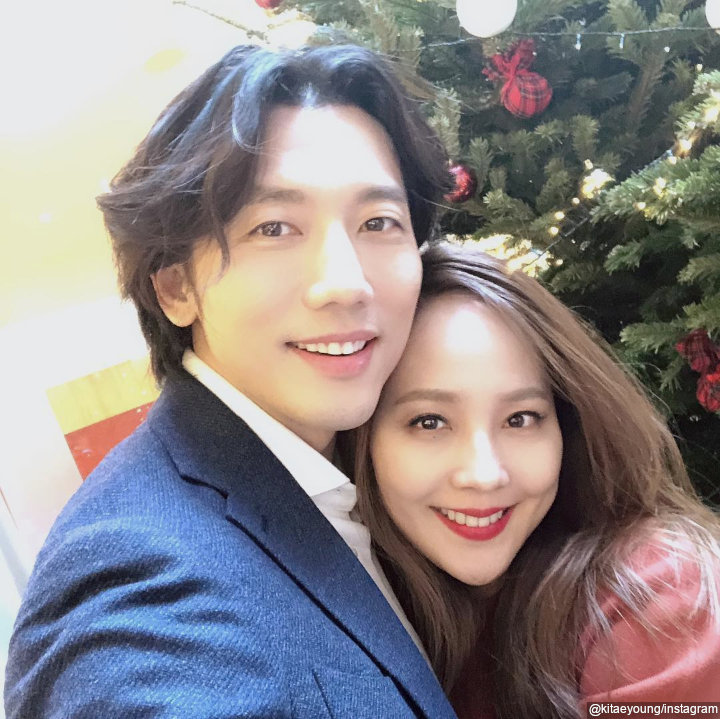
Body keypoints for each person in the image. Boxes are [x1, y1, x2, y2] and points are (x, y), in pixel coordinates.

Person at [5, 45, 458, 718]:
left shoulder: (375, 464)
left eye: (378, 223)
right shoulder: (140, 584)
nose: (346, 283)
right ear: (175, 287)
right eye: (274, 228)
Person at [352, 241, 720, 718]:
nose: (484, 475)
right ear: (364, 440)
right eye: (430, 422)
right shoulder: (359, 598)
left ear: (567, 425)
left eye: (521, 418)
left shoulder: (659, 595)